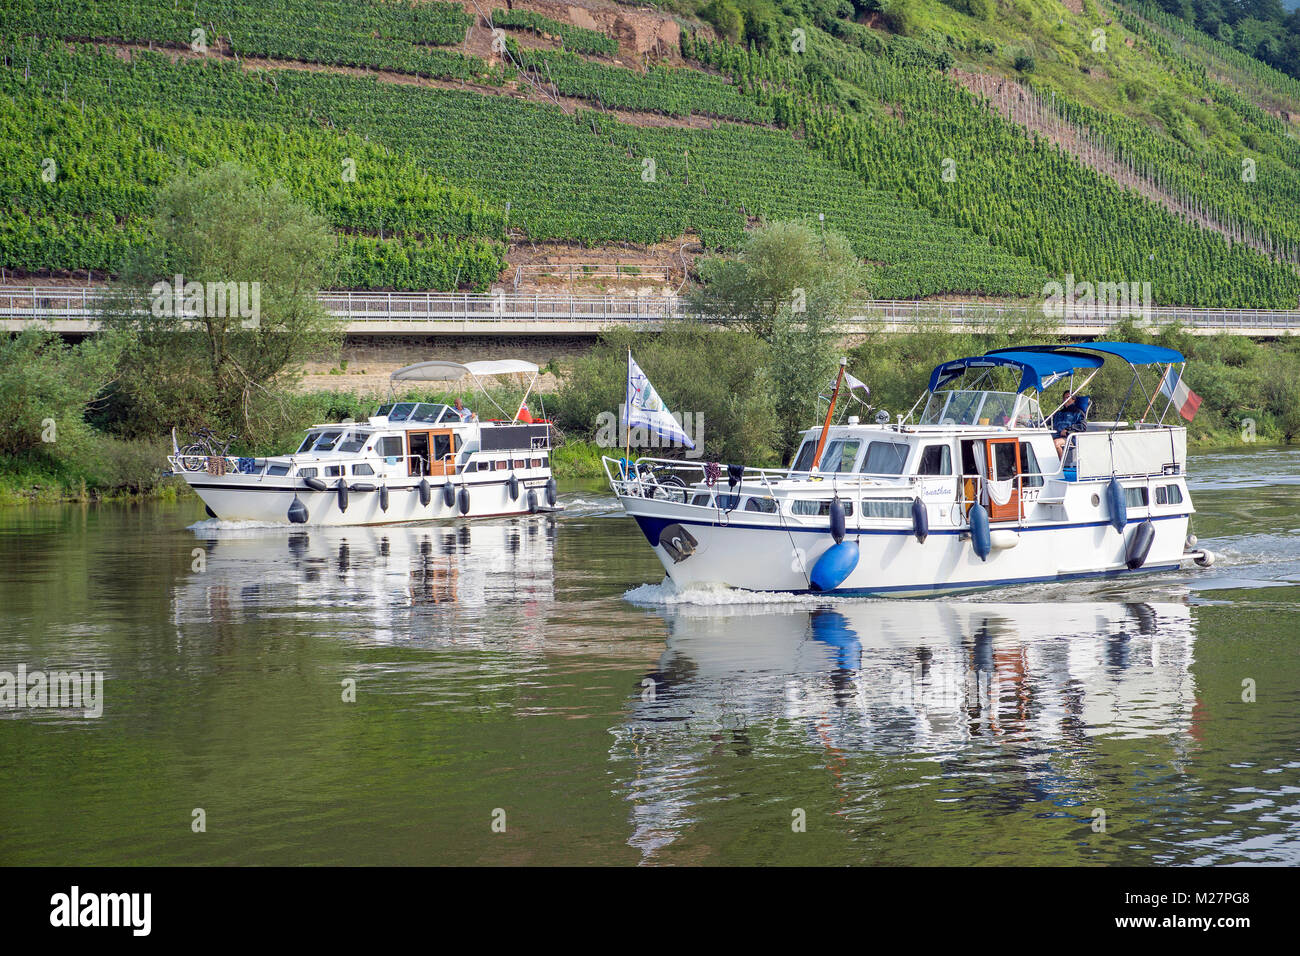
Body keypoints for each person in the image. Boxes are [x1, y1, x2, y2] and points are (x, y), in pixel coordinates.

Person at [1051, 390, 1088, 457]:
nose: (1065, 400)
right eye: (1064, 398)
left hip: (1070, 438)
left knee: (1055, 443)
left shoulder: (1078, 412)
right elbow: (1047, 419)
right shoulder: (1059, 413)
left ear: (1073, 400)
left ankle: (1060, 466)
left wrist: (1068, 430)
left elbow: (1083, 426)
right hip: (1056, 435)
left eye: (1068, 397)